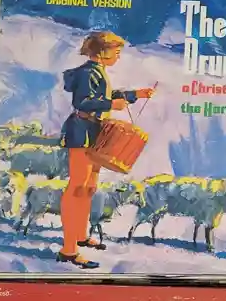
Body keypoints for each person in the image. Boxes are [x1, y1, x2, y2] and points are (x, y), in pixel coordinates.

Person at [58, 31, 155, 268]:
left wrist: (135, 95)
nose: (119, 56)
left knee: (88, 187)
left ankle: (80, 236)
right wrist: (112, 104)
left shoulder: (97, 71)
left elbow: (104, 95)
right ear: (102, 52)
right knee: (77, 187)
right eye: (117, 52)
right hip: (81, 131)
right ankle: (68, 250)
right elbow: (82, 102)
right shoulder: (87, 73)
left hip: (94, 131)